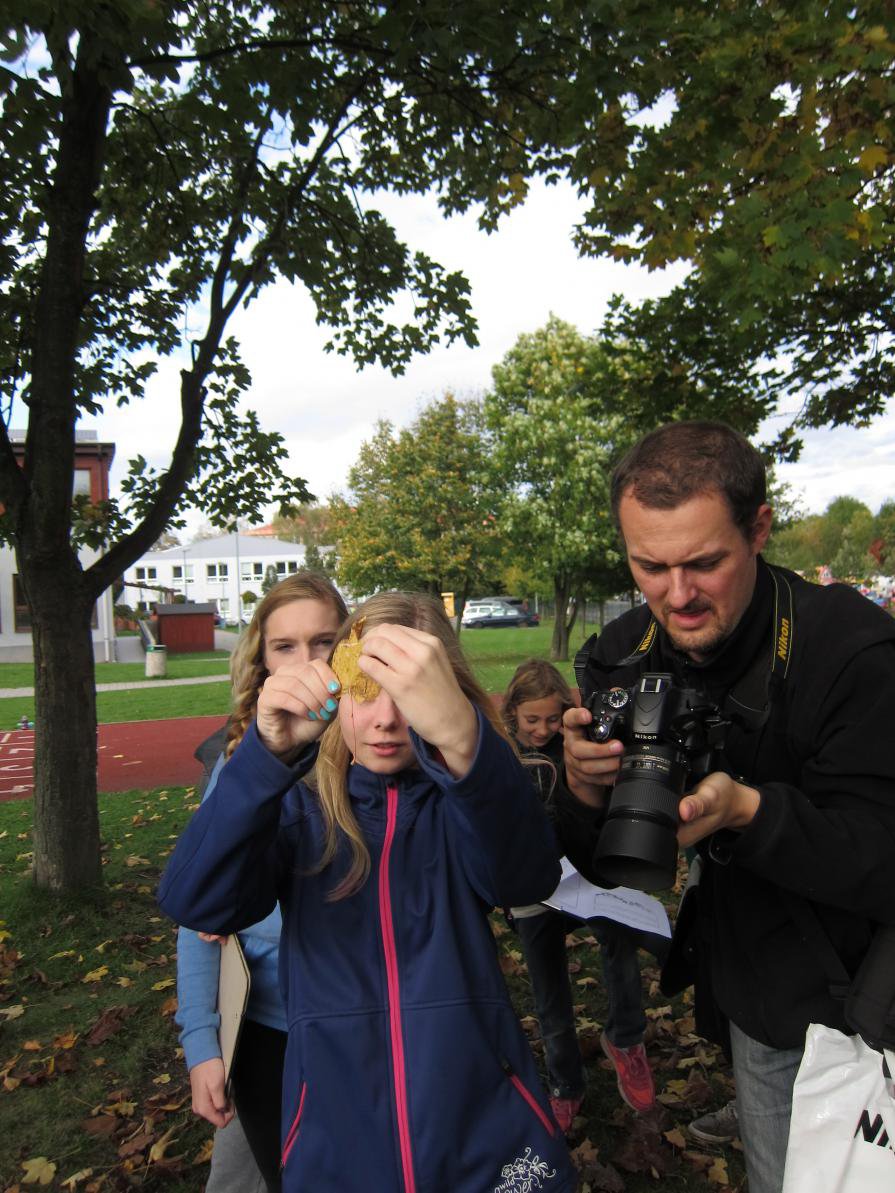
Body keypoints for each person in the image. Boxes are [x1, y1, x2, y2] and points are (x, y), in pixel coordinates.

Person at [554, 420, 895, 1193]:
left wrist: (748, 811)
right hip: (758, 999)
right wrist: (583, 788)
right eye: (649, 565)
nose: (676, 596)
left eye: (704, 562)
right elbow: (597, 864)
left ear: (758, 528)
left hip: (866, 996)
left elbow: (881, 857)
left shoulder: (849, 650)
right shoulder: (622, 654)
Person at [160, 591, 577, 1193]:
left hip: (478, 1131)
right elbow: (197, 902)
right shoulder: (300, 810)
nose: (384, 719)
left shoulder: (461, 802)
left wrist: (464, 741)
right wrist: (265, 757)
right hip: (338, 1139)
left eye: (408, 695)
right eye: (364, 690)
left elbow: (525, 877)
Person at [176, 572, 347, 1192]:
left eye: (324, 642)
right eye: (285, 646)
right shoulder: (241, 764)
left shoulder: (382, 747)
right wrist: (202, 1041)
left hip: (359, 1025)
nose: (307, 663)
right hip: (264, 1027)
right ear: (263, 660)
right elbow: (199, 921)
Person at [503, 659, 657, 1132]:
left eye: (552, 719)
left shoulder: (578, 748)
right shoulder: (501, 752)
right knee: (548, 989)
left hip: (585, 875)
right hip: (533, 886)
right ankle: (566, 1082)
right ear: (512, 713)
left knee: (621, 940)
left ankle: (626, 1038)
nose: (542, 729)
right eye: (531, 720)